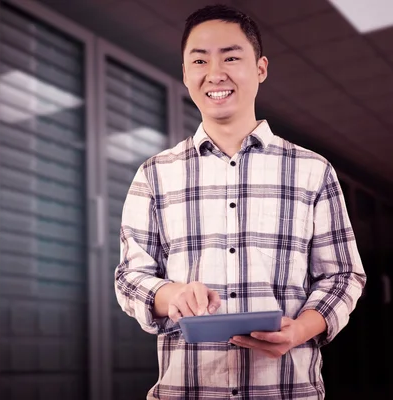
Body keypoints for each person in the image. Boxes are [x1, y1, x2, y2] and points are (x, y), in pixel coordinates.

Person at [114, 4, 366, 399]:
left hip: (287, 389)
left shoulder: (312, 171)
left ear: (261, 69)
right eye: (200, 60)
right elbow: (130, 277)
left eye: (231, 57)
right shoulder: (154, 174)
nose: (215, 74)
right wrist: (173, 295)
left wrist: (300, 329)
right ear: (185, 73)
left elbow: (343, 276)